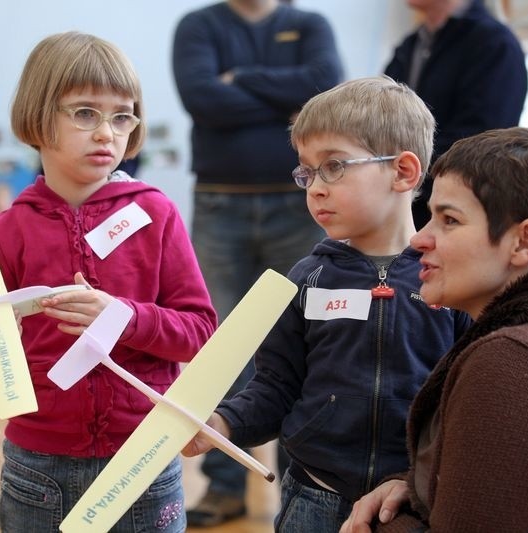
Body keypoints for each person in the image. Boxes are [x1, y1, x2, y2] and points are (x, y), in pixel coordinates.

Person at [182, 76, 472, 532]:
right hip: (314, 498)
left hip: (411, 502)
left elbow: (465, 401)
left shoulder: (451, 280)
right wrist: (224, 422)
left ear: (403, 172)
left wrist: (422, 480)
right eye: (306, 171)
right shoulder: (306, 280)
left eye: (333, 166)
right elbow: (276, 385)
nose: (314, 188)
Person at [0, 32, 217, 533]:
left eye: (122, 116)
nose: (107, 133)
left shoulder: (156, 213)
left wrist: (121, 318)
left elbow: (200, 331)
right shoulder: (3, 233)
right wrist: (0, 350)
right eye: (84, 113)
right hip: (39, 470)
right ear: (37, 117)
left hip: (146, 457)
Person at [340, 127, 528, 533]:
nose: (418, 240)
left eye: (449, 220)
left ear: (523, 242)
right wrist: (415, 488)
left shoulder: (517, 364)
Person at [172, 0, 343, 525]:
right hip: (220, 204)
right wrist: (283, 100)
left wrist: (240, 79)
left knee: (307, 343)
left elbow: (323, 89)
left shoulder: (310, 24)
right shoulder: (198, 25)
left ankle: (305, 483)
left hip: (300, 204)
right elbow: (203, 101)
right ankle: (225, 487)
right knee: (221, 348)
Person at [385, 0, 528, 229]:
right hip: (403, 208)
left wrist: (395, 165)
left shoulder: (494, 43)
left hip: (458, 216)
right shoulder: (409, 47)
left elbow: (482, 139)